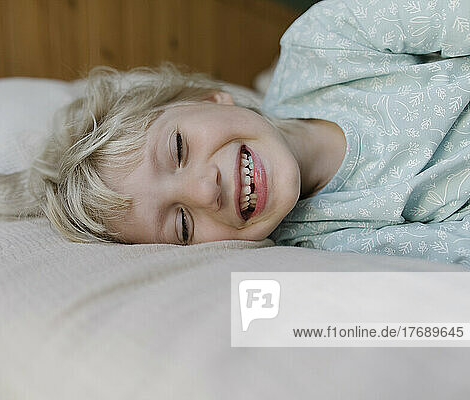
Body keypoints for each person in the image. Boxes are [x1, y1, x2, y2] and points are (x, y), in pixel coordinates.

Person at [28, 0, 470, 266]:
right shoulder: (328, 244)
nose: (205, 191)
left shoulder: (325, 41)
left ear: (208, 97)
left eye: (178, 148)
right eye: (182, 225)